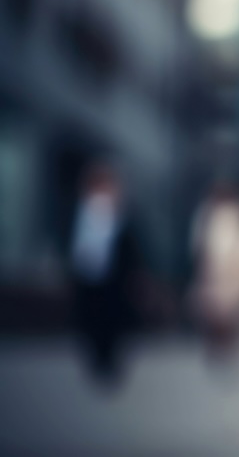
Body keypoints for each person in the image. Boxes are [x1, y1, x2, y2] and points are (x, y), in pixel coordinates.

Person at [67, 163, 143, 389]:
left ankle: (109, 364)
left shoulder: (120, 219)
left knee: (112, 327)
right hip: (91, 287)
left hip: (114, 288)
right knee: (93, 326)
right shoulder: (80, 217)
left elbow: (130, 252)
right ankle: (99, 364)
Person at [189, 180, 239, 366]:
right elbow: (202, 252)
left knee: (230, 315)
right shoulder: (208, 218)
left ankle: (227, 350)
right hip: (221, 277)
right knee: (220, 314)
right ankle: (222, 350)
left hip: (233, 277)